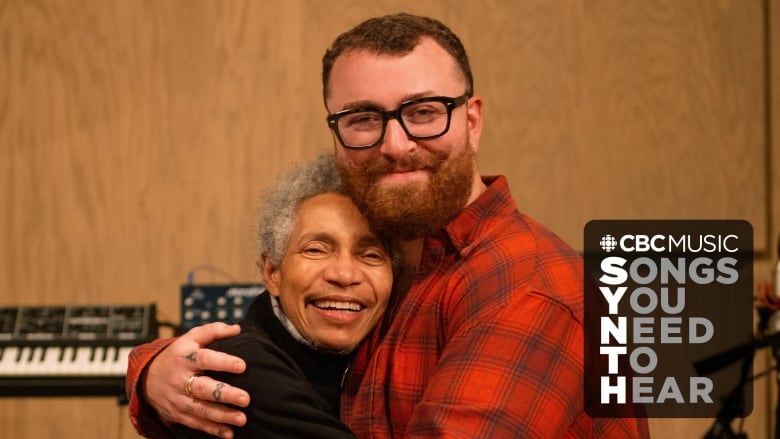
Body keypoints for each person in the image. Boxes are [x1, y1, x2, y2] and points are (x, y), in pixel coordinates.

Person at [126, 13, 650, 438]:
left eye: (423, 111)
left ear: (471, 121)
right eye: (363, 119)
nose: (395, 145)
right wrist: (152, 372)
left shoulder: (528, 289)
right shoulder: (408, 259)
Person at [173, 154, 394, 438]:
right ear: (272, 272)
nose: (344, 274)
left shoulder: (370, 358)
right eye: (316, 249)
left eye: (371, 254)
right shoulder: (240, 369)